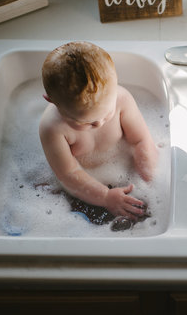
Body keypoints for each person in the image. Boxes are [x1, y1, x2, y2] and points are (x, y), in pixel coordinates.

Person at [39, 41, 158, 221]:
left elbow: (140, 140)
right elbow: (68, 174)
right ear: (51, 101)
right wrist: (104, 197)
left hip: (124, 173)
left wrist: (147, 174)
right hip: (82, 187)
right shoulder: (52, 128)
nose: (99, 123)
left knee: (149, 210)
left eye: (107, 114)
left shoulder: (121, 99)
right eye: (85, 121)